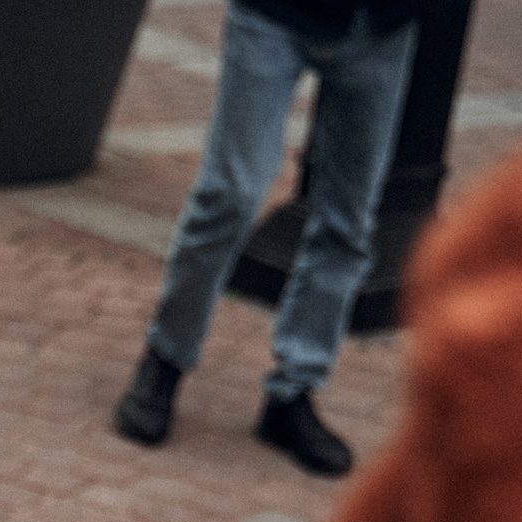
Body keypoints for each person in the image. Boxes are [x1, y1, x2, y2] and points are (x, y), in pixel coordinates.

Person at [111, 0, 420, 476]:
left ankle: (294, 390)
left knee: (348, 222)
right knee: (229, 197)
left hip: (379, 28)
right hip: (271, 15)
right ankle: (166, 357)